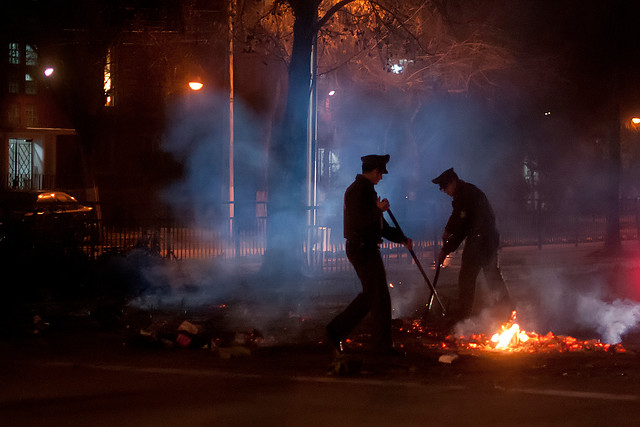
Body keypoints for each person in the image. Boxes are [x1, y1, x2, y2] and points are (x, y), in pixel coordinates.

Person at [326, 154, 412, 356]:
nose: (381, 177)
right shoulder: (358, 191)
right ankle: (381, 346)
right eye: (380, 173)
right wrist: (376, 210)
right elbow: (360, 221)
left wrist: (401, 237)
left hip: (366, 247)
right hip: (362, 248)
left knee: (372, 296)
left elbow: (378, 227)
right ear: (375, 171)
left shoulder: (366, 190)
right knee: (379, 297)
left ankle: (337, 331)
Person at [432, 168, 514, 323]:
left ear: (453, 182)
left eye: (444, 187)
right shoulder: (466, 192)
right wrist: (447, 230)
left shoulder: (465, 195)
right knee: (491, 274)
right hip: (486, 238)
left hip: (480, 239)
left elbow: (462, 225)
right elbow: (457, 215)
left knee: (468, 277)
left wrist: (446, 248)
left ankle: (465, 315)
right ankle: (506, 309)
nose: (443, 191)